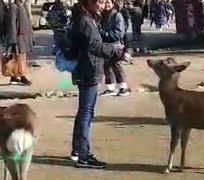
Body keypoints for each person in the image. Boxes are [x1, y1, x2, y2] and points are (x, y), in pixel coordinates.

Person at [69, 0, 128, 168]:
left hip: (86, 68)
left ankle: (78, 150)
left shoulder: (85, 18)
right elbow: (94, 45)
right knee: (86, 113)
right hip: (88, 70)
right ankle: (83, 155)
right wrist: (116, 51)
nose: (102, 6)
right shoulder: (85, 21)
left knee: (84, 112)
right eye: (100, 2)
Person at [99, 0, 130, 96]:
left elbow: (118, 34)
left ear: (113, 3)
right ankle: (110, 88)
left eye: (109, 2)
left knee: (116, 66)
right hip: (105, 45)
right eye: (104, 2)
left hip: (116, 46)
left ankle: (123, 87)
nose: (106, 4)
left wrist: (102, 34)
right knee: (106, 66)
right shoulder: (102, 15)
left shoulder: (117, 15)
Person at [6, 0, 33, 85]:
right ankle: (22, 76)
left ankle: (14, 77)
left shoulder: (22, 5)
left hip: (22, 36)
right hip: (17, 36)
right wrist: (13, 39)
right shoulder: (13, 7)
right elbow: (12, 23)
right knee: (19, 57)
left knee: (18, 57)